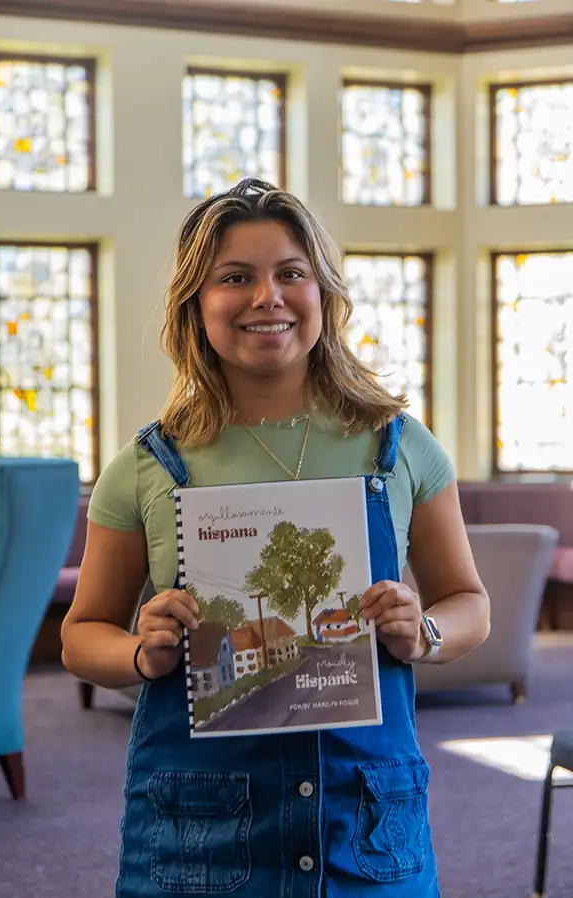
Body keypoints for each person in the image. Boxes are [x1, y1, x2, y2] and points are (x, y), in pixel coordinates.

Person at [61, 178, 490, 898]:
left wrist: (426, 634)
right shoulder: (145, 465)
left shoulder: (401, 447)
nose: (268, 296)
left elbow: (468, 601)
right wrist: (140, 648)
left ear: (322, 294)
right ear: (196, 304)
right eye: (236, 278)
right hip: (203, 826)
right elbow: (81, 635)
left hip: (365, 818)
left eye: (291, 273)